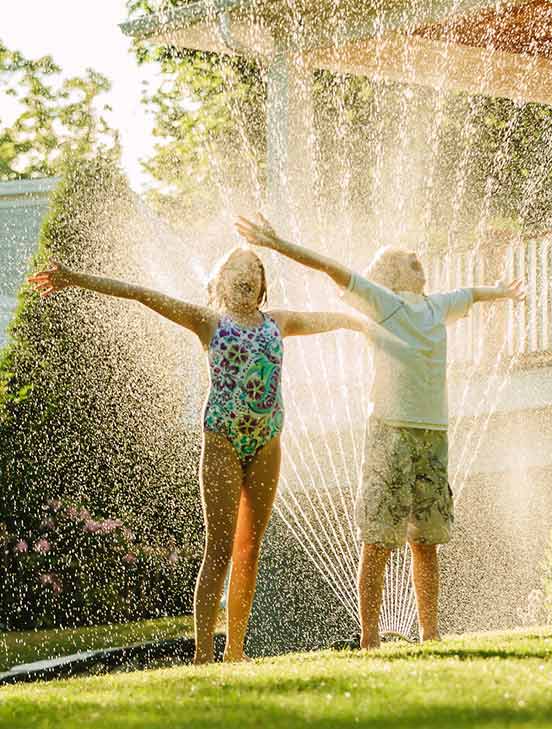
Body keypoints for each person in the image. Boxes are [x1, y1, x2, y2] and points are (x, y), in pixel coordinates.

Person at [28, 245, 368, 663]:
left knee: (249, 549)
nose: (245, 277)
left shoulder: (279, 322)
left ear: (262, 284)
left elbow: (328, 320)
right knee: (220, 547)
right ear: (219, 282)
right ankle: (203, 654)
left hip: (267, 441)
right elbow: (140, 293)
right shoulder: (208, 322)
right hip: (223, 439)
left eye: (253, 272)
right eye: (235, 271)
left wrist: (362, 323)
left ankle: (236, 651)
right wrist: (75, 278)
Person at [236, 215, 525, 649]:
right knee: (378, 541)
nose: (418, 261)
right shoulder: (382, 302)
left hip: (433, 435)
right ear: (390, 274)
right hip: (390, 432)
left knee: (427, 540)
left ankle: (430, 634)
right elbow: (328, 265)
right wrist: (277, 244)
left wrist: (501, 292)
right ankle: (369, 637)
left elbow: (474, 294)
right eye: (410, 260)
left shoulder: (438, 305)